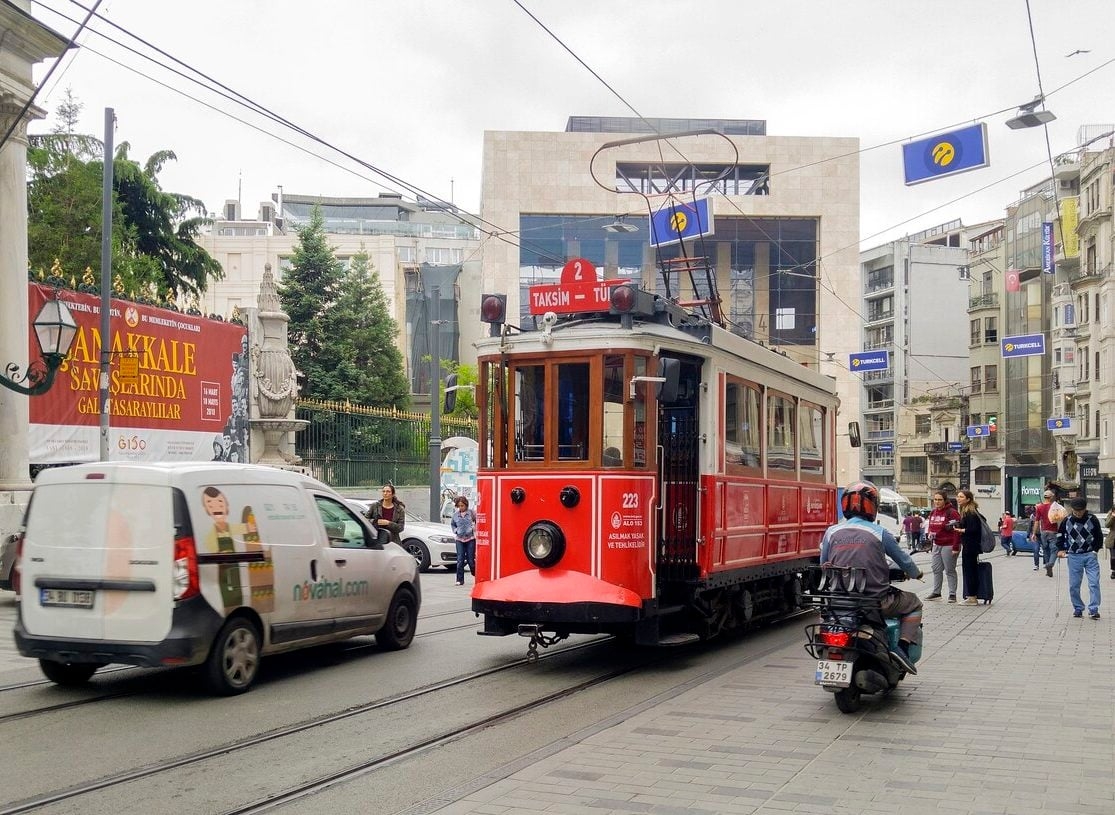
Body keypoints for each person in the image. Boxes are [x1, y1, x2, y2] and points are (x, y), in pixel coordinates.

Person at [819, 481, 923, 674]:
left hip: (837, 601)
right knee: (915, 603)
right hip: (874, 602)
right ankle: (903, 647)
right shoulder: (880, 532)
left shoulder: (831, 532)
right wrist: (917, 574)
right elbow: (904, 561)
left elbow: (823, 562)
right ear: (873, 506)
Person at [1055, 497, 1104, 619]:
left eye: (1080, 511)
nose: (1078, 513)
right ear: (1072, 509)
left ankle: (1093, 608)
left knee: (1094, 582)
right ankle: (1078, 607)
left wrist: (1095, 550)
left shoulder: (1092, 519)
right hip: (1073, 556)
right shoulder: (1067, 520)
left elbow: (1099, 536)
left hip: (1090, 555)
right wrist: (1060, 549)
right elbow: (1060, 535)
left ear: (1085, 509)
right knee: (1074, 584)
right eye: (1075, 511)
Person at [925, 490, 961, 603]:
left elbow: (957, 531)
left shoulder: (952, 512)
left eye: (940, 499)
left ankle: (952, 594)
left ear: (945, 500)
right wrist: (930, 534)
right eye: (935, 499)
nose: (937, 502)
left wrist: (955, 547)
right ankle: (936, 592)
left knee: (950, 570)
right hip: (936, 544)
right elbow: (931, 527)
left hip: (949, 545)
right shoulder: (933, 512)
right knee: (936, 569)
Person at [953, 489, 984, 605]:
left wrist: (960, 530)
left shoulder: (970, 512)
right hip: (970, 545)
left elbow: (974, 529)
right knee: (970, 570)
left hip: (971, 546)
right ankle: (971, 595)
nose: (958, 499)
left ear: (968, 499)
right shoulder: (966, 511)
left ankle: (972, 597)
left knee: (970, 570)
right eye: (958, 496)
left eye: (961, 497)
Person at [1030, 490, 1062, 577]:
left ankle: (1048, 569)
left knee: (1046, 550)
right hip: (1053, 532)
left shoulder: (1040, 507)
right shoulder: (1055, 507)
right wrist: (1060, 532)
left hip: (1043, 532)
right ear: (1051, 497)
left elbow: (1036, 521)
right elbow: (1060, 520)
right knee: (1054, 550)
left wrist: (1033, 533)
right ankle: (1050, 564)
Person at [450, 496, 477, 586]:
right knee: (460, 560)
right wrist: (456, 531)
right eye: (459, 506)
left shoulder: (472, 513)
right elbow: (453, 524)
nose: (461, 508)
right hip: (459, 540)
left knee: (471, 560)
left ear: (466, 505)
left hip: (470, 539)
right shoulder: (455, 515)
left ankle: (475, 574)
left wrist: (474, 528)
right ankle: (459, 580)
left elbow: (478, 521)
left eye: (462, 506)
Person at [1104, 507, 1115, 580]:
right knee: (1113, 557)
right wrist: (1112, 517)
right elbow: (1107, 525)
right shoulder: (1110, 515)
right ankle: (1114, 571)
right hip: (1113, 539)